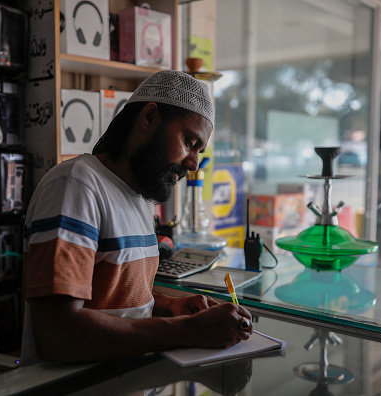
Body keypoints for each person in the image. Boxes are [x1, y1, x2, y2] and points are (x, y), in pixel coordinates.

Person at [20, 70, 253, 365]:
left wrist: (169, 307)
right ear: (149, 117)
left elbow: (113, 301)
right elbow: (57, 335)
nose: (193, 163)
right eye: (189, 142)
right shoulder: (75, 186)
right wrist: (189, 330)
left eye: (199, 150)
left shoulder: (139, 197)